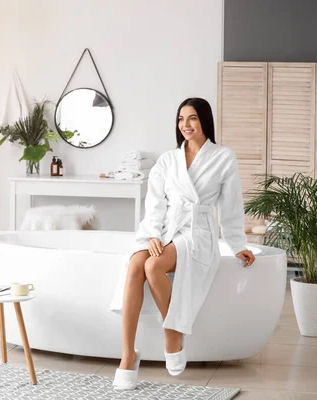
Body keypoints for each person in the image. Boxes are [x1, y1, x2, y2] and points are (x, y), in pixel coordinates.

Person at [110, 97, 256, 390]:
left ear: (204, 120)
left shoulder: (223, 157)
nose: (185, 125)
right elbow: (154, 202)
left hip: (197, 230)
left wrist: (237, 242)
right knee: (136, 265)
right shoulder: (168, 159)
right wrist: (152, 233)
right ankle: (127, 354)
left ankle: (173, 333)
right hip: (163, 226)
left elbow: (231, 205)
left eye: (192, 118)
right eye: (180, 119)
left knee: (154, 267)